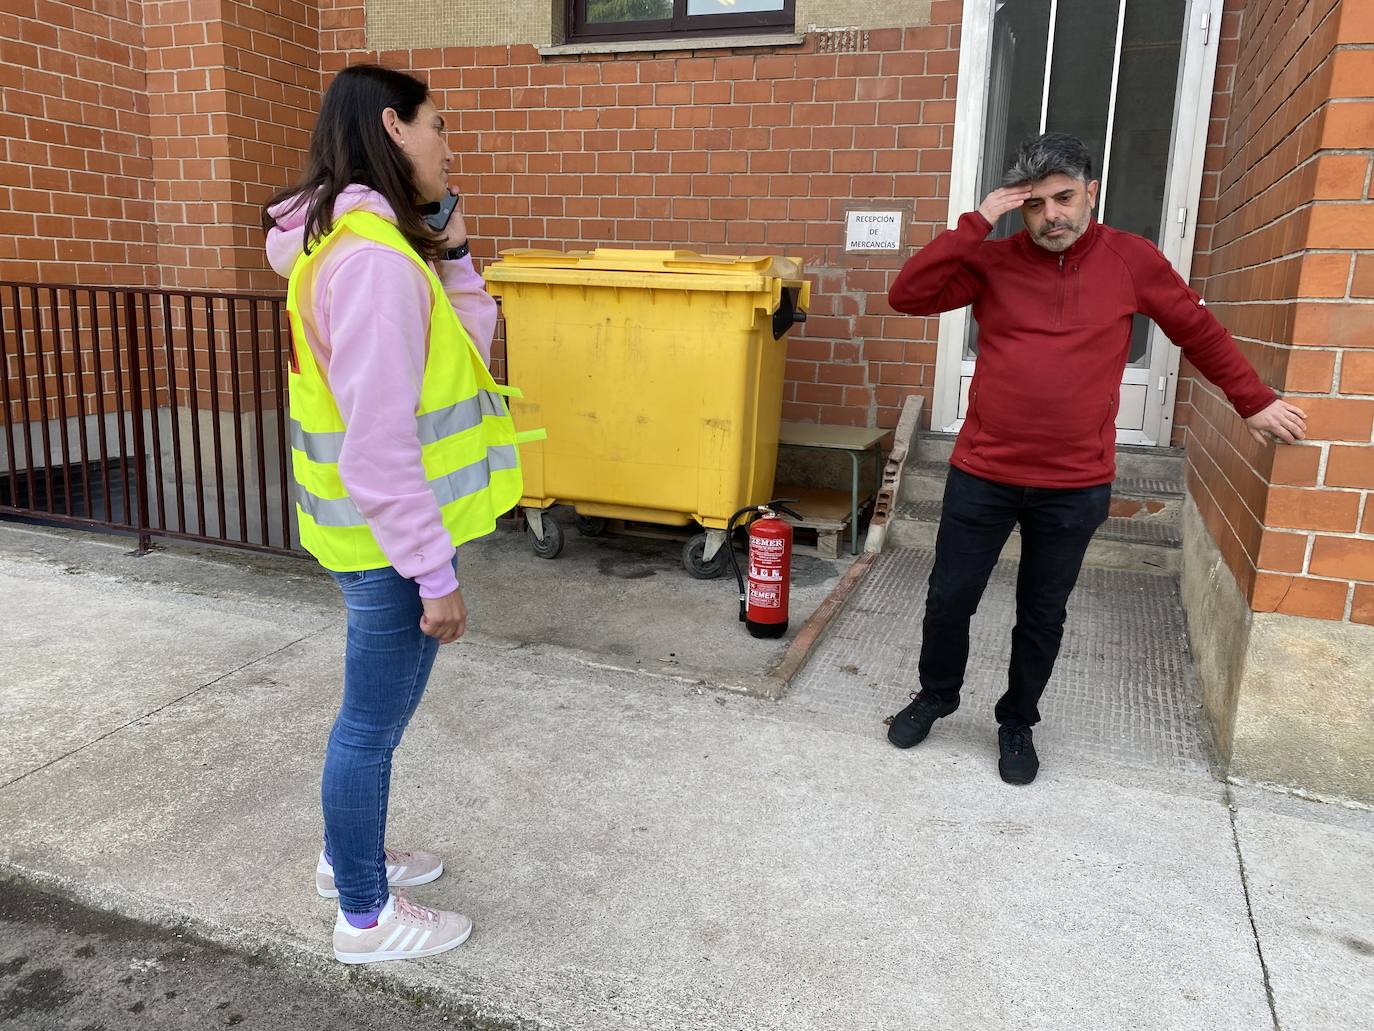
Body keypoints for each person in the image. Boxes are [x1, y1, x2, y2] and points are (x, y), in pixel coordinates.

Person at [884, 132, 1306, 785]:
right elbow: (907, 294)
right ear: (1016, 207)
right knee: (949, 596)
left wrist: (1252, 401)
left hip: (1073, 483)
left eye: (1063, 197)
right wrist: (977, 220)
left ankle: (1018, 719)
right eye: (1034, 204)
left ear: (1091, 192)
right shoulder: (993, 261)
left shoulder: (1131, 260)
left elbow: (1199, 330)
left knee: (1042, 611)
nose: (1051, 215)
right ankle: (936, 694)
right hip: (984, 473)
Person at [263, 64, 528, 962]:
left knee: (373, 723)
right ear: (393, 127)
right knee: (369, 726)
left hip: (371, 536)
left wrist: (453, 253)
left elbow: (463, 347)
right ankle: (364, 914)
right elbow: (378, 447)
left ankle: (354, 860)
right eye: (437, 126)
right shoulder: (373, 264)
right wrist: (435, 574)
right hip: (389, 547)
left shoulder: (355, 245)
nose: (447, 145)